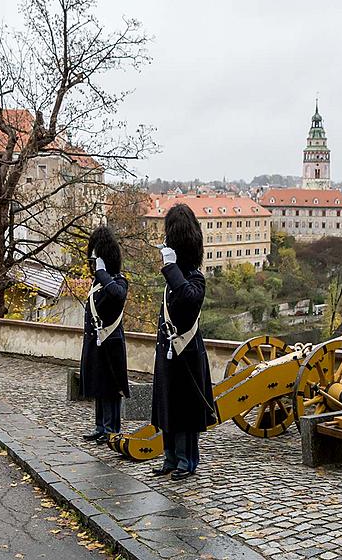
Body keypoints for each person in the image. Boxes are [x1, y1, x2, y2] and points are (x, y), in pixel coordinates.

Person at [151, 204, 215, 482]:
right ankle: (170, 458)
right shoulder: (175, 278)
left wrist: (171, 268)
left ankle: (187, 461)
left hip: (187, 351)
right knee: (168, 406)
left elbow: (189, 298)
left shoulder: (194, 277)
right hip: (168, 349)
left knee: (186, 410)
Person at [80, 227, 130, 445]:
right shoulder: (98, 284)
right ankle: (100, 426)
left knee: (111, 388)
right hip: (96, 340)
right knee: (99, 385)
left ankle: (112, 428)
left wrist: (103, 273)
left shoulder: (118, 281)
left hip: (111, 341)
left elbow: (118, 296)